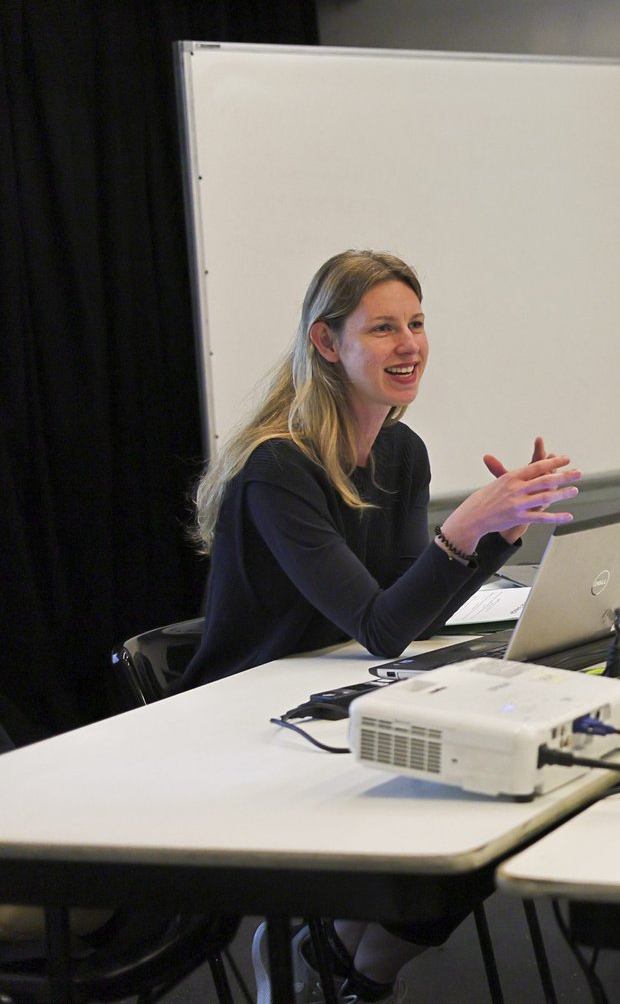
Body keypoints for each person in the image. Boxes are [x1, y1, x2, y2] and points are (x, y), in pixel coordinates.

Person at [177, 249, 582, 1002]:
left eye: (418, 324)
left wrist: (497, 537)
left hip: (345, 693)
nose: (410, 345)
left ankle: (344, 963)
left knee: (497, 793)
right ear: (327, 344)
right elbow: (380, 625)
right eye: (385, 328)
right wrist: (463, 532)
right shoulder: (280, 465)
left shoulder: (400, 448)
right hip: (248, 719)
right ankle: (332, 958)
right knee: (457, 802)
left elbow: (410, 608)